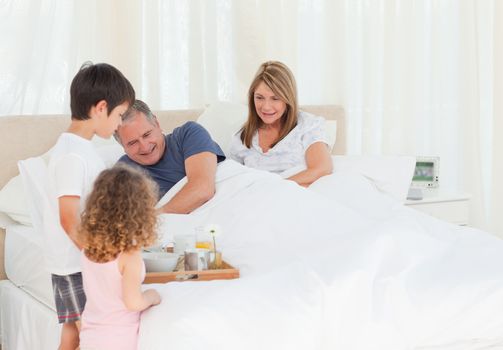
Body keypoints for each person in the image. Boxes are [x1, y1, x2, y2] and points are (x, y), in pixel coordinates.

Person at [46, 62, 135, 350]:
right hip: (75, 264)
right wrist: (100, 260)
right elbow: (69, 219)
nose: (120, 124)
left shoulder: (82, 149)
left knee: (73, 333)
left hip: (76, 262)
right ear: (100, 108)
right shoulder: (72, 155)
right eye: (119, 115)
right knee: (90, 333)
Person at [78, 164, 162, 350]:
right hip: (118, 339)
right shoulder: (129, 255)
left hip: (90, 335)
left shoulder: (89, 248)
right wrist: (151, 296)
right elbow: (133, 302)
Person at [229, 61, 333, 187]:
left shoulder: (308, 126)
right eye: (259, 97)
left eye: (275, 98)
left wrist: (274, 187)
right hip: (257, 201)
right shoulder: (242, 138)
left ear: (288, 99)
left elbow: (322, 169)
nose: (266, 107)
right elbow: (235, 182)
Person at [114, 99, 226, 214]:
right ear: (122, 145)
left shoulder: (188, 135)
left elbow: (203, 189)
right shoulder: (123, 171)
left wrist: (155, 217)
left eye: (147, 135)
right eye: (133, 143)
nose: (144, 147)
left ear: (157, 124)